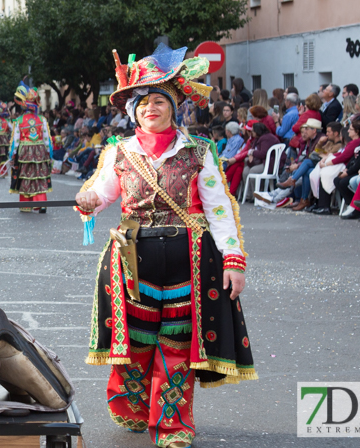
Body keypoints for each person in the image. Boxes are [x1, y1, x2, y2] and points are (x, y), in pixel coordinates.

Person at [74, 46, 254, 448]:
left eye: (159, 101)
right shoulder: (119, 151)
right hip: (131, 257)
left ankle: (172, 425)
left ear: (174, 108)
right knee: (137, 342)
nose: (149, 108)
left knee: (176, 341)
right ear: (133, 111)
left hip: (188, 259)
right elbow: (103, 193)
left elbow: (218, 209)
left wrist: (233, 260)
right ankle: (134, 408)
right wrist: (89, 201)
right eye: (142, 103)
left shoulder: (199, 152)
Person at [9, 83, 52, 213]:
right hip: (39, 150)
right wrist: (50, 155)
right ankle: (41, 203)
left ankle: (26, 204)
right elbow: (46, 139)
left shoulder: (19, 120)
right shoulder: (42, 119)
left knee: (26, 176)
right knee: (39, 175)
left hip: (25, 152)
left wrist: (12, 156)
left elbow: (15, 140)